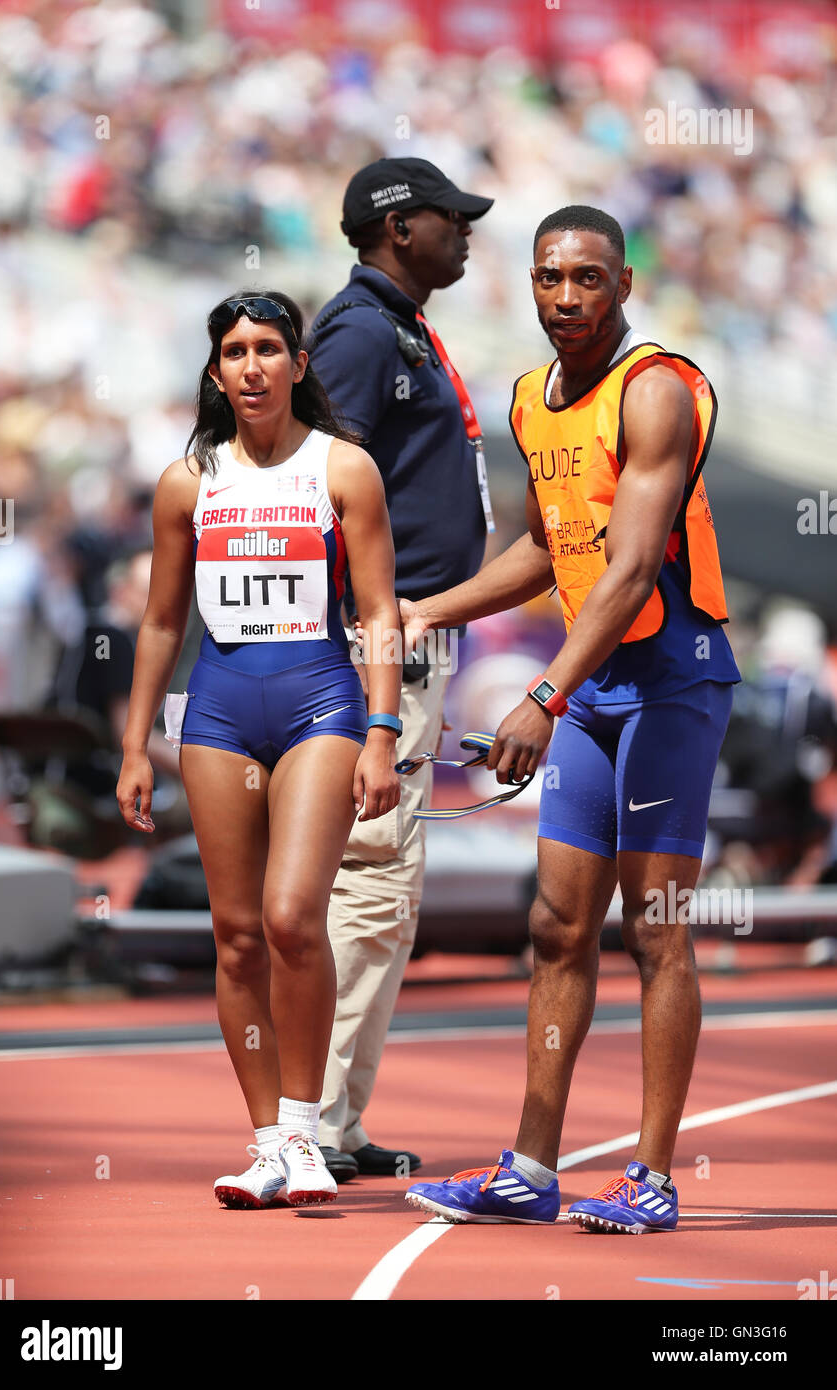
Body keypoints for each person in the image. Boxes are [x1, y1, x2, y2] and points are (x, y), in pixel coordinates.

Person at [403, 206, 741, 1231]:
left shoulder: (652, 394)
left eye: (586, 279)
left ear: (623, 285)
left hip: (668, 677)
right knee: (556, 926)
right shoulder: (527, 400)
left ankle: (649, 1175)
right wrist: (429, 608)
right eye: (549, 277)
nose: (564, 297)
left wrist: (542, 693)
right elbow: (549, 549)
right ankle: (529, 1168)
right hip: (591, 688)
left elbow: (633, 563)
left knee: (656, 930)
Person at [115, 290, 402, 1208]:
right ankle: (269, 1144)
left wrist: (384, 731)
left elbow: (379, 611)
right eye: (235, 351)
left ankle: (311, 1132)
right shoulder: (188, 481)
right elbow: (161, 622)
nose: (251, 366)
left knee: (289, 917)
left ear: (299, 365)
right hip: (220, 713)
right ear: (215, 371)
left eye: (269, 349)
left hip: (321, 702)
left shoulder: (344, 469)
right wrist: (133, 743)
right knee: (235, 937)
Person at [307, 157, 495, 1179]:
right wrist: (360, 629)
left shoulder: (399, 327)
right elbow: (310, 486)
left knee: (382, 886)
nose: (461, 232)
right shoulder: (363, 330)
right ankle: (315, 1117)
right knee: (369, 883)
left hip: (400, 636)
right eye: (447, 218)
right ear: (395, 229)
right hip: (376, 642)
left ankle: (331, 1116)